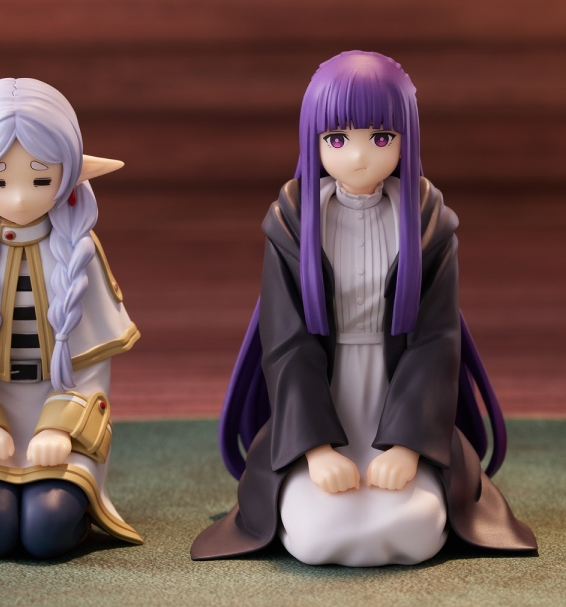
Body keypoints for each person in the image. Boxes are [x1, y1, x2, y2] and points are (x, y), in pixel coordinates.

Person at [191, 51, 536, 566]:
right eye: (337, 139)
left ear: (405, 139)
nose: (358, 156)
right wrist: (316, 451)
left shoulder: (428, 224)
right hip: (321, 403)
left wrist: (407, 447)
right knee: (318, 534)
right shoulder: (291, 225)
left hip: (400, 401)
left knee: (414, 528)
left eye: (380, 138)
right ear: (313, 141)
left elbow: (436, 341)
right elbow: (286, 344)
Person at [0, 78, 142, 558]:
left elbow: (92, 365)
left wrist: (60, 427)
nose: (18, 199)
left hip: (60, 433)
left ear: (68, 172)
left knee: (47, 529)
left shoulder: (79, 251)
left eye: (39, 180)